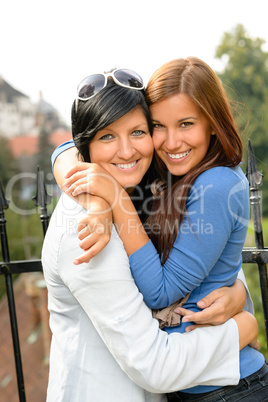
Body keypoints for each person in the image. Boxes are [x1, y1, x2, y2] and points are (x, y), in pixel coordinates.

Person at [42, 70, 258, 402]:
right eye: (107, 136)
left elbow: (210, 265)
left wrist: (239, 293)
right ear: (87, 144)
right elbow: (155, 366)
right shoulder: (85, 229)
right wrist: (244, 329)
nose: (127, 151)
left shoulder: (156, 187)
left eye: (139, 131)